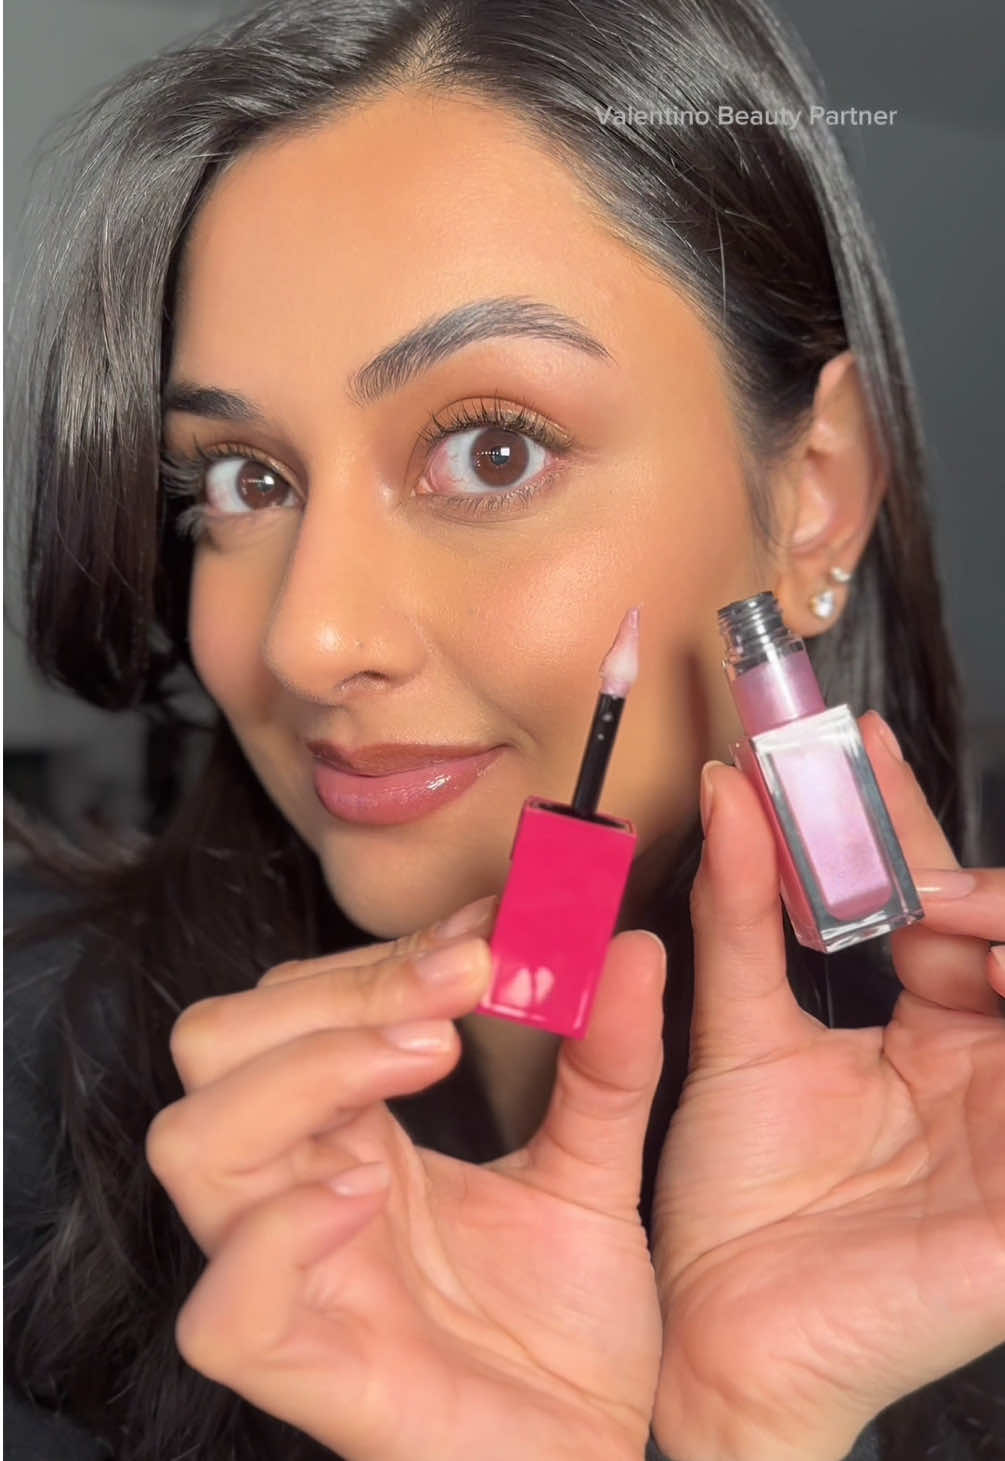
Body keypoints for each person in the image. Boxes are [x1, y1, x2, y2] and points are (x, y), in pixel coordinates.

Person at [4, 0, 1003, 1458]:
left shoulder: (965, 1185)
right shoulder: (30, 1080)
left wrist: (754, 1434)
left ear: (815, 493)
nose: (306, 641)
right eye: (240, 482)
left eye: (492, 449)